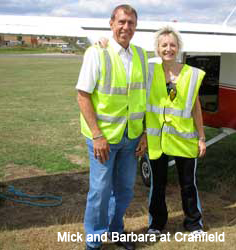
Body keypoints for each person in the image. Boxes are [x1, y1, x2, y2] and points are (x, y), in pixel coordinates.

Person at [76, 4, 148, 250]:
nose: (126, 27)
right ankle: (94, 240)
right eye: (121, 22)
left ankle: (116, 230)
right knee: (99, 192)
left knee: (126, 189)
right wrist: (97, 135)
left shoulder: (141, 55)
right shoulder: (97, 53)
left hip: (131, 137)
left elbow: (143, 98)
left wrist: (145, 133)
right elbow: (82, 95)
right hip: (103, 138)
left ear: (136, 27)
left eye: (131, 23)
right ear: (111, 23)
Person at [145, 26, 206, 237]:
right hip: (157, 140)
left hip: (184, 139)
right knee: (157, 185)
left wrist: (201, 137)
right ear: (157, 48)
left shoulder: (191, 74)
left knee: (188, 184)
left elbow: (196, 107)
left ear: (178, 47)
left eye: (172, 45)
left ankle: (193, 223)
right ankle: (156, 224)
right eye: (164, 45)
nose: (168, 49)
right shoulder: (148, 72)